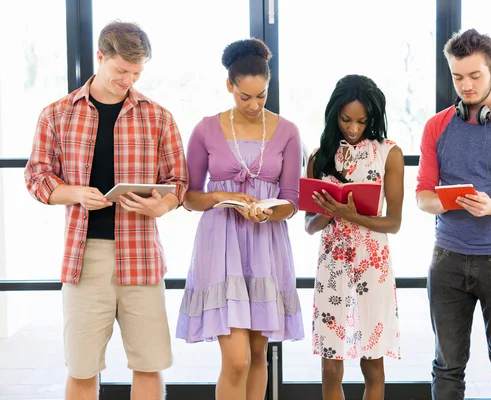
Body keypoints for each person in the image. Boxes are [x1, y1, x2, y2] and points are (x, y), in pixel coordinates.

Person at [23, 21, 188, 400]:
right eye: (120, 71)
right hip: (84, 259)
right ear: (100, 57)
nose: (128, 80)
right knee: (81, 368)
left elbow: (179, 182)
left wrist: (160, 206)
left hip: (142, 257)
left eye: (136, 73)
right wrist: (74, 193)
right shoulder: (57, 114)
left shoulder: (158, 117)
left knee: (148, 364)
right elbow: (37, 177)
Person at [176, 38, 304, 400]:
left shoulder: (288, 131)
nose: (254, 104)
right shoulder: (205, 129)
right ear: (229, 86)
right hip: (221, 243)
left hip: (266, 243)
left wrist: (267, 211)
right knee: (236, 360)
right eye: (244, 97)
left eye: (261, 96)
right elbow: (189, 196)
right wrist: (224, 197)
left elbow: (292, 201)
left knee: (259, 354)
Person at [416, 29, 491, 400]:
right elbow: (423, 196)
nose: (466, 86)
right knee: (447, 367)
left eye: (475, 76)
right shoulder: (436, 127)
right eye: (457, 77)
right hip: (448, 260)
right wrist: (448, 200)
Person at [306, 74, 405, 400]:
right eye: (346, 119)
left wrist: (352, 215)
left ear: (373, 118)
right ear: (334, 114)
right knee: (330, 368)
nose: (353, 128)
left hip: (372, 269)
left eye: (362, 121)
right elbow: (309, 225)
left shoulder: (388, 153)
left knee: (372, 364)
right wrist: (331, 210)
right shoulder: (319, 156)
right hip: (332, 268)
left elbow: (393, 223)